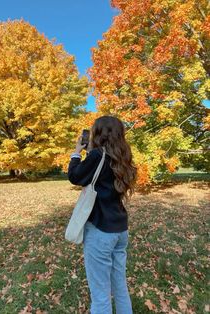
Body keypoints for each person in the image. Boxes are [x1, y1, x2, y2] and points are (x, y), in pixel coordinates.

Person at [67, 115, 138, 314]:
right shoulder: (123, 156)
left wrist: (76, 153)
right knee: (119, 285)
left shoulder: (98, 156)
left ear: (98, 133)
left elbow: (75, 176)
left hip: (100, 231)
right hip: (120, 229)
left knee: (100, 293)